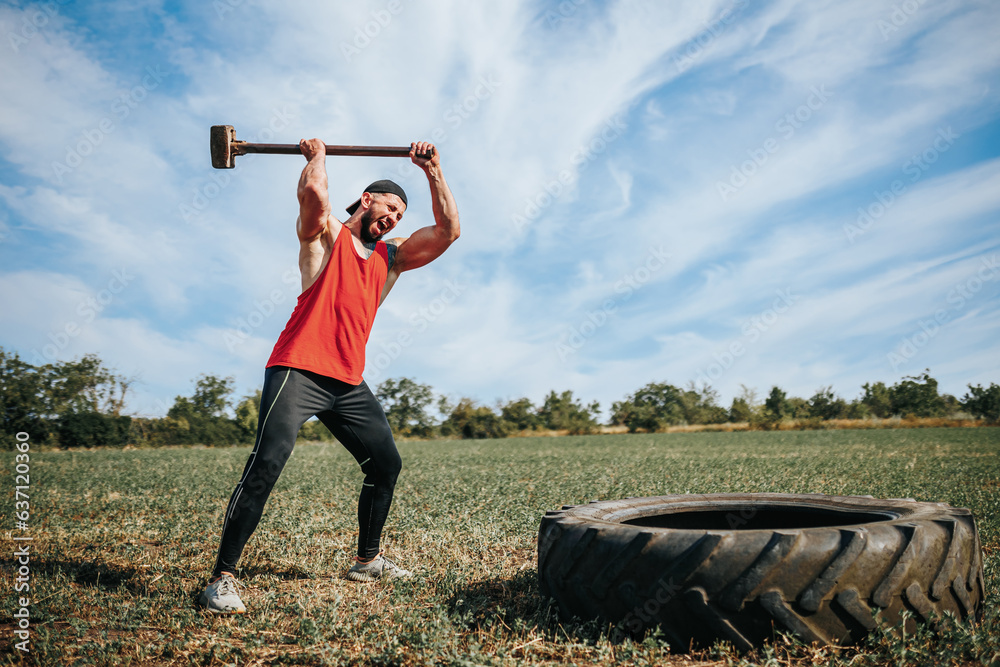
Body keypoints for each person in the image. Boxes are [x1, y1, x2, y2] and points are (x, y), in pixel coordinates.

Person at [199, 138, 459, 613]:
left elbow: (448, 232)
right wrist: (316, 156)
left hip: (347, 381)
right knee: (267, 465)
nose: (396, 218)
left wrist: (433, 170)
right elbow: (314, 197)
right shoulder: (326, 236)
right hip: (298, 368)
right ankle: (222, 578)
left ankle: (367, 560)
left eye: (402, 214)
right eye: (390, 207)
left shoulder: (391, 259)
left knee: (386, 465)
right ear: (367, 200)